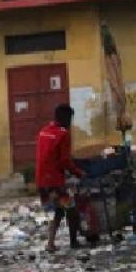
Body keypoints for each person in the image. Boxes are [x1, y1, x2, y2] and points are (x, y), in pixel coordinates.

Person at [36, 104, 85, 252]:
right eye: (70, 119)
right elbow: (65, 160)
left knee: (56, 211)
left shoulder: (43, 131)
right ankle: (74, 242)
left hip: (41, 179)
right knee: (72, 210)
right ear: (65, 118)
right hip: (55, 181)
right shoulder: (63, 134)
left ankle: (50, 243)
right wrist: (78, 172)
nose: (71, 123)